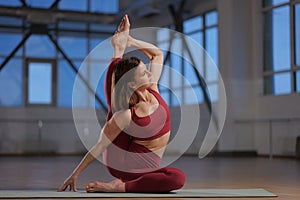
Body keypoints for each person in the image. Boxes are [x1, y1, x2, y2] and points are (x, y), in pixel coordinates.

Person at [57, 14, 185, 193]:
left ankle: (118, 49)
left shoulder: (152, 88)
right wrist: (75, 173)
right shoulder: (126, 114)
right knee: (117, 110)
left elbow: (157, 54)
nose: (149, 73)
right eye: (143, 73)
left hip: (146, 166)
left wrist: (130, 41)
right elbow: (100, 145)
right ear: (134, 83)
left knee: (176, 177)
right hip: (124, 164)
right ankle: (118, 187)